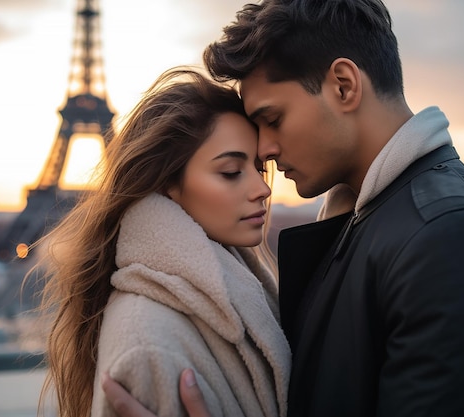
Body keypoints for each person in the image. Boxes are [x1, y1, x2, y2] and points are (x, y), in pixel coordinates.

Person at [102, 0, 464, 416]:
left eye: (272, 119)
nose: (267, 149)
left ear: (344, 85)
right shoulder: (380, 226)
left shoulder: (457, 242)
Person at [34, 67, 291, 417]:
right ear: (165, 183)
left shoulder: (225, 293)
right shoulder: (148, 346)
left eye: (259, 169)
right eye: (231, 172)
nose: (263, 189)